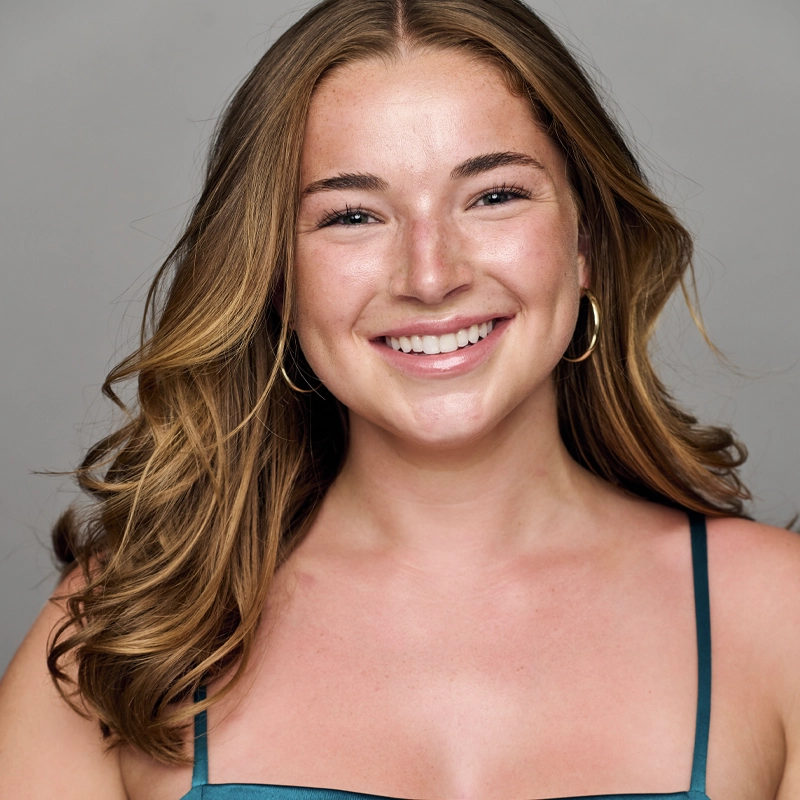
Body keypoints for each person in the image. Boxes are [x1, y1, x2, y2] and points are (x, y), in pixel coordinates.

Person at [1, 0, 798, 798]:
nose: (430, 275)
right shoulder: (127, 629)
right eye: (352, 215)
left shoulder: (778, 617)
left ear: (584, 240)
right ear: (277, 278)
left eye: (493, 197)